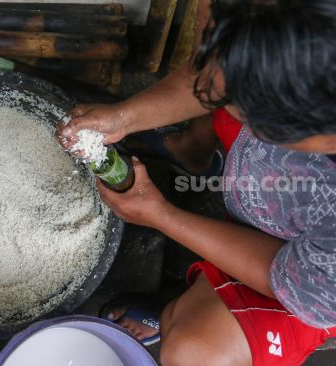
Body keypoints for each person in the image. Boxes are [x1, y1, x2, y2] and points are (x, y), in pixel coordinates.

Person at [59, 0, 336, 365]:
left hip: (301, 279)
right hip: (270, 199)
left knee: (194, 352)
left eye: (239, 107)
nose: (209, 90)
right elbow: (220, 71)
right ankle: (193, 153)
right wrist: (124, 118)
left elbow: (282, 273)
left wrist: (161, 215)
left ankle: (177, 305)